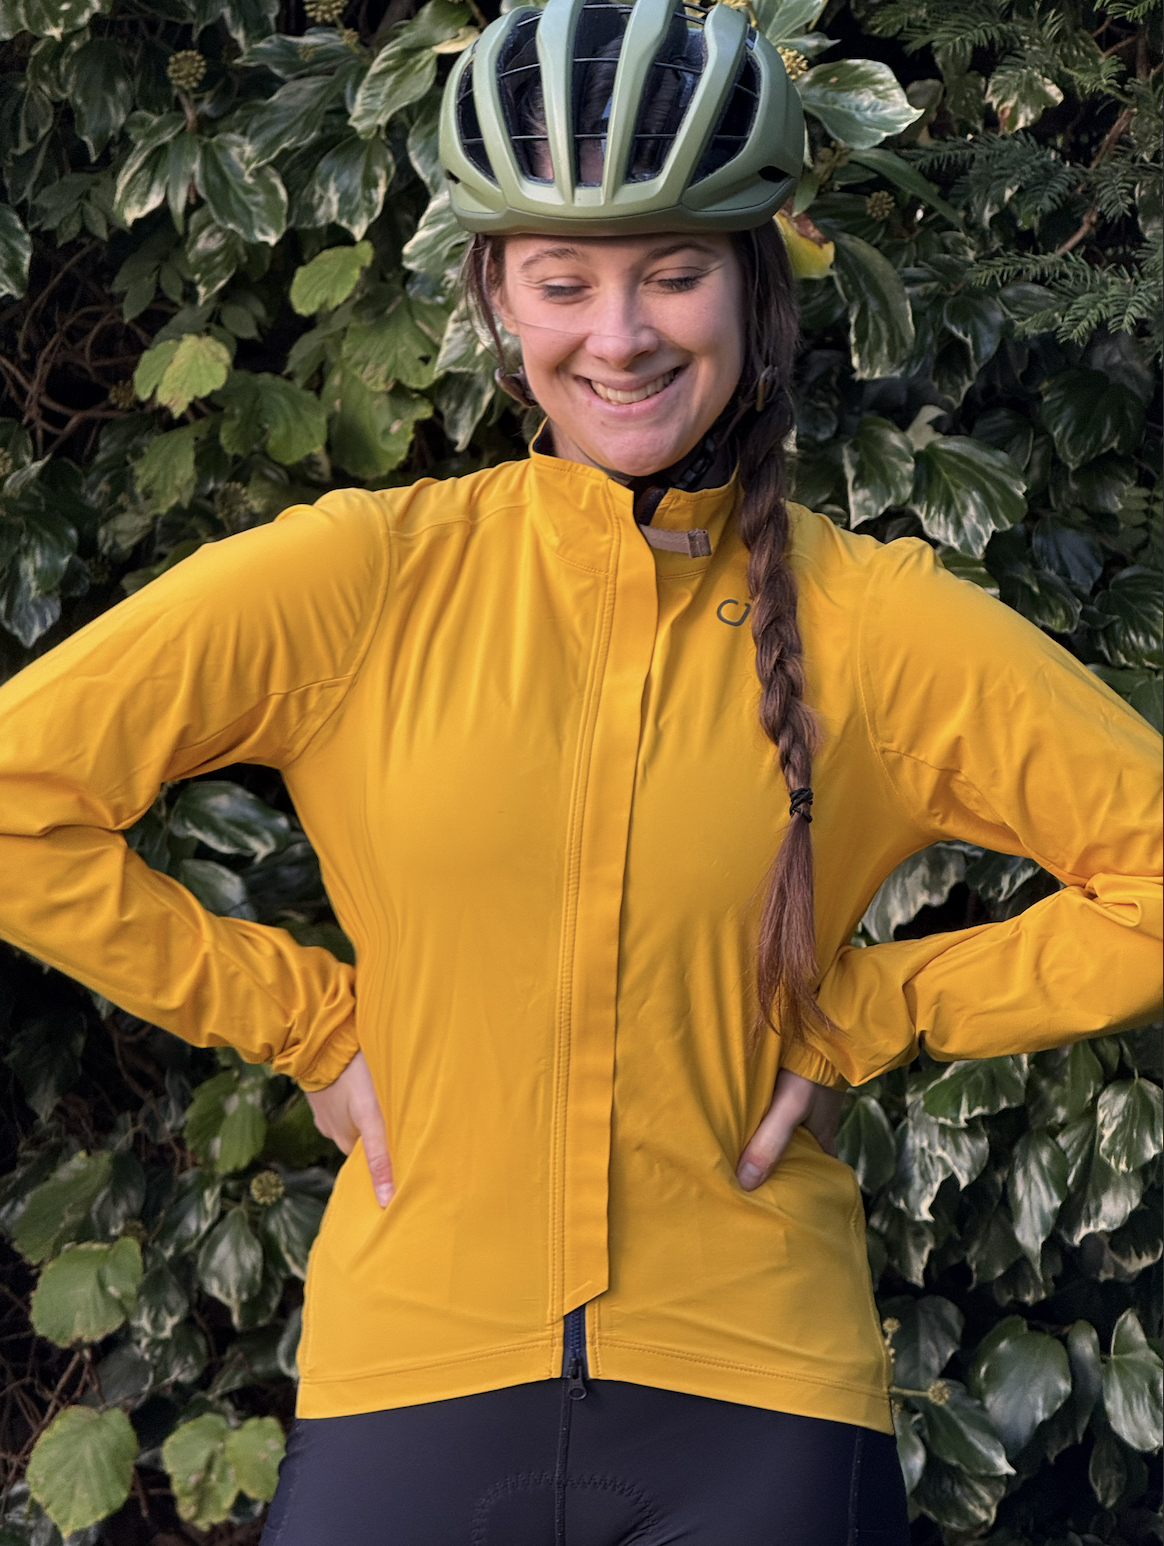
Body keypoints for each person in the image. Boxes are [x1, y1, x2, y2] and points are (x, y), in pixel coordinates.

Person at [0, 0, 1159, 1540]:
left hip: (761, 1407)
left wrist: (871, 1008)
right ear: (496, 295)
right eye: (565, 281)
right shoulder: (363, 581)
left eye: (674, 273)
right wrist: (310, 1022)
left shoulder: (880, 628)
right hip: (408, 1374)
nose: (618, 335)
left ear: (753, 286)